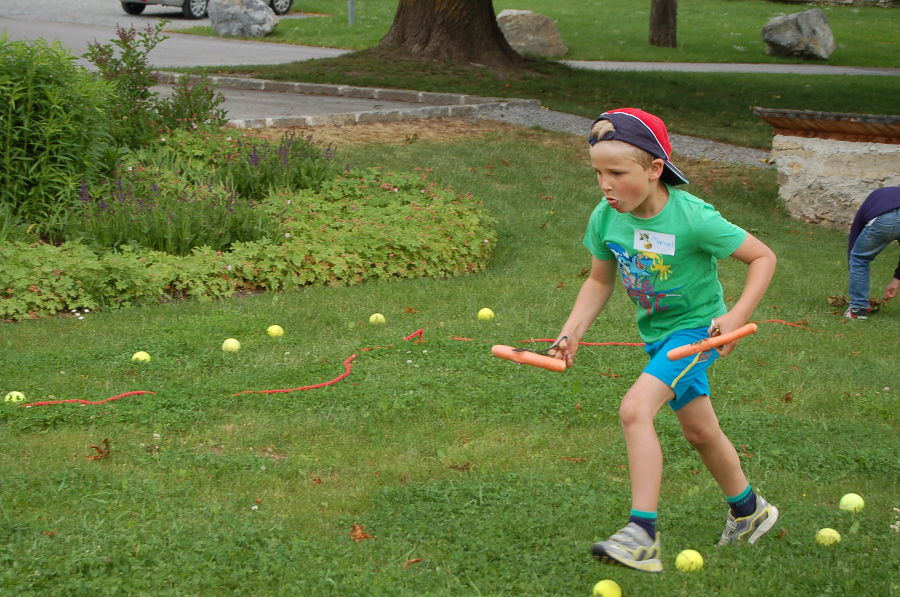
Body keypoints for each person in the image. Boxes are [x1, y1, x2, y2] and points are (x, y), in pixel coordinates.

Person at [548, 108, 779, 573]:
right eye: (597, 173)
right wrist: (571, 334)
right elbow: (598, 282)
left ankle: (641, 534)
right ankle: (750, 509)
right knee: (700, 432)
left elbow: (762, 257)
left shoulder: (694, 218)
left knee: (635, 409)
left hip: (694, 335)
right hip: (656, 337)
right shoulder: (606, 218)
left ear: (655, 169)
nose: (605, 185)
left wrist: (734, 317)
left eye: (617, 173)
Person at [844, 187, 900, 320]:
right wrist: (896, 281)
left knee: (859, 258)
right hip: (887, 217)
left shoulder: (876, 197)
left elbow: (855, 232)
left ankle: (858, 309)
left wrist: (852, 263)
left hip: (885, 218)